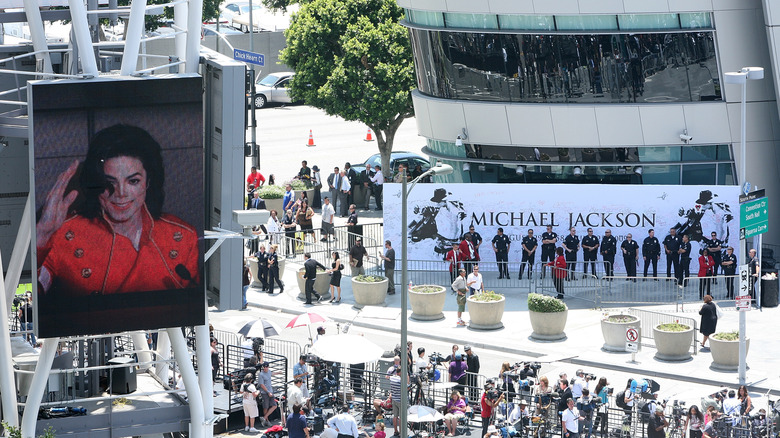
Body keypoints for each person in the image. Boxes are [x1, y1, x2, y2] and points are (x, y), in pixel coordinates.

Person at [36, 125, 200, 300]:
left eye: (133, 181)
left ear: (148, 182)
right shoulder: (61, 235)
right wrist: (41, 236)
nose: (121, 193)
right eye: (109, 182)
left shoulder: (182, 237)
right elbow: (27, 297)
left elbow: (192, 310)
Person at [258, 362, 278, 426]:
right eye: (264, 367)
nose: (266, 368)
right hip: (264, 393)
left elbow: (271, 373)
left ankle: (264, 418)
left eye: (267, 367)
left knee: (274, 405)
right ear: (263, 367)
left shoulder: (269, 371)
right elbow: (262, 385)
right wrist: (268, 392)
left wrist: (278, 372)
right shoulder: (261, 374)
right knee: (265, 407)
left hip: (271, 391)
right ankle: (267, 421)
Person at [388, 368, 405, 436]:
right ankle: (401, 432)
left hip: (394, 399)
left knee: (395, 416)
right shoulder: (401, 380)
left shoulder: (392, 379)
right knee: (401, 417)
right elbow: (406, 387)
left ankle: (395, 431)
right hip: (400, 400)